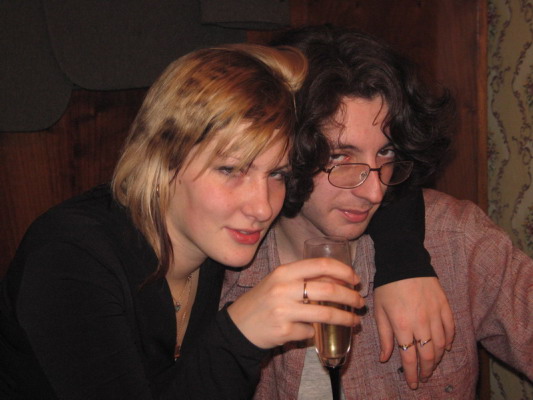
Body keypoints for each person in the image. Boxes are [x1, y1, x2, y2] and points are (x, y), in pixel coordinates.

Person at [0, 40, 452, 400]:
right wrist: (239, 334)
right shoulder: (71, 256)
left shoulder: (211, 235)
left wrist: (403, 262)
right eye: (231, 170)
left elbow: (373, 182)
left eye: (277, 174)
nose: (262, 208)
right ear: (162, 158)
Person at [221, 25, 533, 399]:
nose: (374, 191)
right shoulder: (220, 268)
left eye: (386, 153)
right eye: (340, 156)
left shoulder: (455, 239)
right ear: (284, 148)